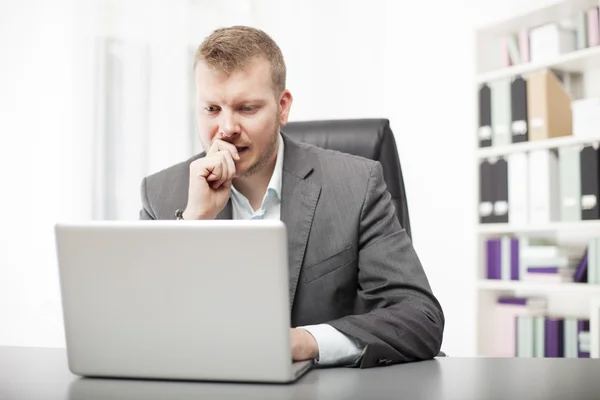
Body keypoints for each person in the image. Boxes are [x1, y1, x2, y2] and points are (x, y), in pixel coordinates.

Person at [139, 25, 444, 368]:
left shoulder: (356, 185)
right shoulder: (162, 194)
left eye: (246, 108)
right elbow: (139, 328)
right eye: (211, 109)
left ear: (282, 108)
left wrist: (306, 342)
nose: (225, 128)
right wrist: (193, 223)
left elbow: (421, 318)